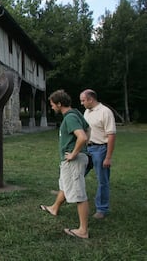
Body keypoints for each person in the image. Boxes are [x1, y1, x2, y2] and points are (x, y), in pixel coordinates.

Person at [40, 89, 90, 239]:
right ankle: (54, 208)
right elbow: (87, 129)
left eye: (53, 104)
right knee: (64, 185)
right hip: (73, 159)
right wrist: (84, 147)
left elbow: (82, 136)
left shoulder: (70, 117)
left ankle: (83, 230)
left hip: (73, 160)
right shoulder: (76, 113)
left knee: (79, 193)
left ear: (59, 103)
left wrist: (75, 152)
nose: (52, 107)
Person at [80, 89, 116, 219]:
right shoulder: (86, 112)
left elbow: (111, 135)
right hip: (87, 149)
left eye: (83, 100)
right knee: (77, 173)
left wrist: (108, 157)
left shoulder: (105, 112)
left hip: (100, 150)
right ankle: (66, 193)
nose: (81, 103)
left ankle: (102, 209)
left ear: (91, 99)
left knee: (102, 180)